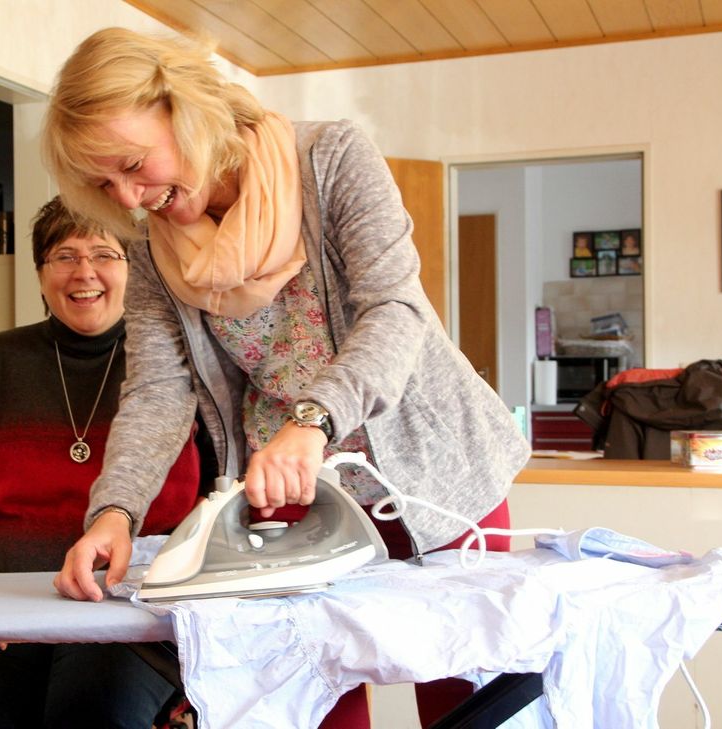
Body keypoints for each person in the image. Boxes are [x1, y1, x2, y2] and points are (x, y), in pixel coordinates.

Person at [44, 27, 531, 728]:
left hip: (433, 477)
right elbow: (155, 390)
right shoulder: (149, 249)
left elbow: (394, 310)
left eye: (131, 164)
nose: (127, 196)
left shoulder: (329, 160)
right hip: (289, 489)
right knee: (307, 694)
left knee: (457, 692)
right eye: (103, 183)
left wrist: (313, 421)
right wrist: (113, 513)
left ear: (181, 108)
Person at [0, 196, 204, 729]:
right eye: (64, 256)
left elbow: (216, 495)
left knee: (91, 712)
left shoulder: (176, 366)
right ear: (42, 275)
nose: (83, 272)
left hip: (131, 607)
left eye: (104, 254)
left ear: (134, 269)